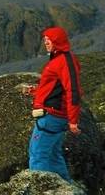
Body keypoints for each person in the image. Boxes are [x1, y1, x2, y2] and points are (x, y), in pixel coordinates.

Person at [22, 26, 82, 182]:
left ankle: (39, 187)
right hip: (55, 115)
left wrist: (73, 121)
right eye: (45, 40)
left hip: (52, 117)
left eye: (49, 40)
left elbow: (73, 90)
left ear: (57, 41)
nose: (46, 43)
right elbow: (55, 88)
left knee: (37, 154)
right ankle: (66, 187)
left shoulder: (64, 61)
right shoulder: (60, 58)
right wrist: (35, 91)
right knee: (54, 155)